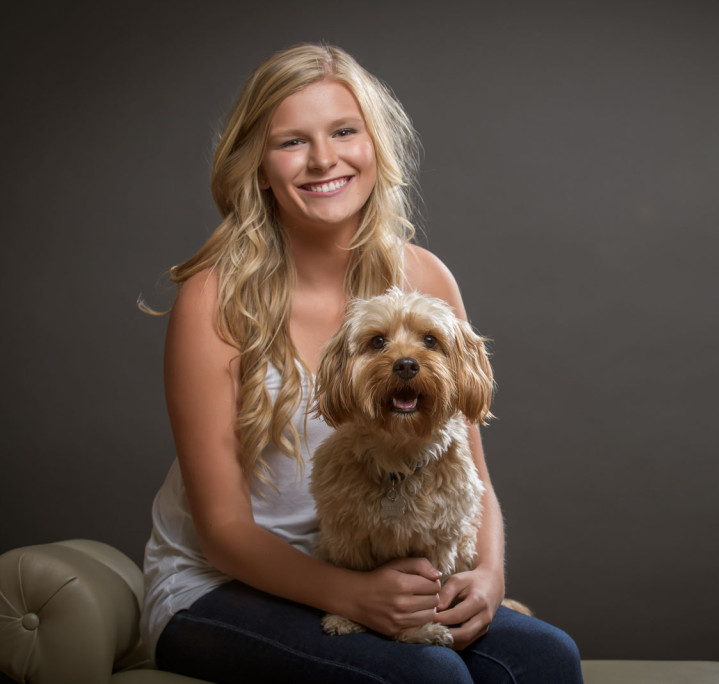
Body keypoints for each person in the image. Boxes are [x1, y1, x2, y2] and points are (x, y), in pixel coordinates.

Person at [140, 43, 583, 683]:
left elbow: (472, 472)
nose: (324, 158)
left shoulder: (424, 276)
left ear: (374, 144)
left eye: (344, 131)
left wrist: (487, 577)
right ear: (259, 167)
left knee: (548, 657)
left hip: (376, 570)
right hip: (218, 587)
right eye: (292, 141)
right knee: (430, 677)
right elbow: (222, 529)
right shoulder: (215, 299)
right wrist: (350, 596)